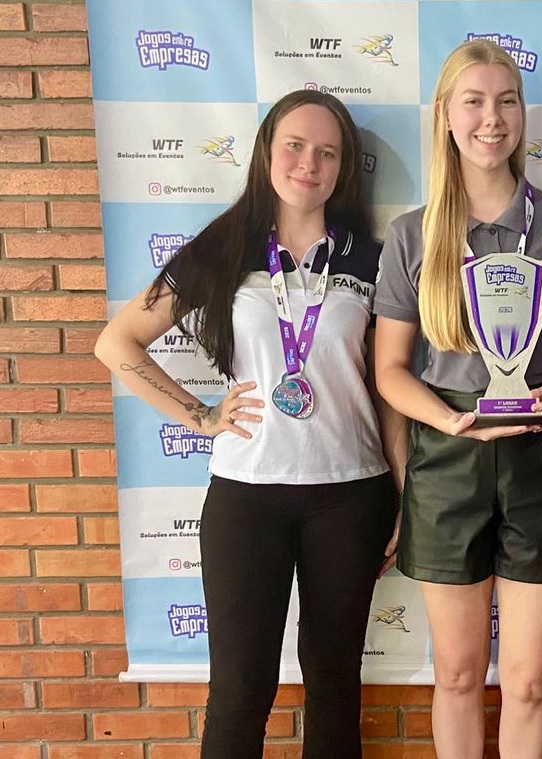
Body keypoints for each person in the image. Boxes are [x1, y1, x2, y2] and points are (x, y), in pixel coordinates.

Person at [94, 90, 405, 759]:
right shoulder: (224, 247)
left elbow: (388, 388)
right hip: (246, 496)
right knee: (240, 689)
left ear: (344, 167)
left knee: (334, 685)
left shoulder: (371, 260)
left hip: (351, 495)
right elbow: (117, 342)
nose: (309, 164)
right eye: (295, 145)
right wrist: (201, 415)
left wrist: (404, 494)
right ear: (267, 151)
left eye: (327, 152)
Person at [373, 39, 542, 759]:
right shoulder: (412, 233)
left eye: (507, 101)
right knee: (455, 674)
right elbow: (390, 370)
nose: (492, 118)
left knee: (530, 681)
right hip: (447, 457)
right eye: (474, 102)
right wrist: (449, 420)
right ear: (445, 115)